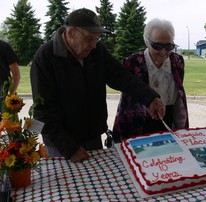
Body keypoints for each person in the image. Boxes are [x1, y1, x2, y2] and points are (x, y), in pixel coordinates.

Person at [30, 8, 165, 163]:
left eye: (96, 39)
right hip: (60, 145)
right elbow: (42, 112)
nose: (94, 45)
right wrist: (69, 148)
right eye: (89, 39)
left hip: (92, 137)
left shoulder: (96, 51)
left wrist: (150, 98)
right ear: (71, 33)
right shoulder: (45, 58)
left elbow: (120, 76)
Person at [113, 18, 189, 142]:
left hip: (168, 120)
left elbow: (179, 95)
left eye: (169, 46)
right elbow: (127, 100)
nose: (163, 52)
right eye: (157, 46)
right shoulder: (132, 62)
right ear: (147, 42)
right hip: (138, 124)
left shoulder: (177, 61)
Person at [0, 40, 21, 105]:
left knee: (9, 114)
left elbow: (16, 74)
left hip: (3, 91)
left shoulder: (3, 46)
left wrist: (10, 94)